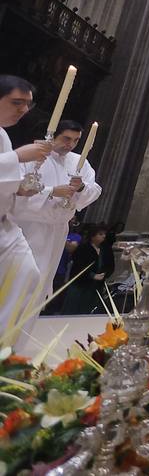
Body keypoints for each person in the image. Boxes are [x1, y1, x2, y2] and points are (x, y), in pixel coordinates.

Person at [13, 119, 102, 337]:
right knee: (22, 279)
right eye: (66, 139)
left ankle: (22, 338)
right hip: (28, 225)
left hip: (56, 228)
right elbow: (17, 187)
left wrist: (80, 188)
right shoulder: (35, 155)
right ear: (53, 135)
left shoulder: (78, 161)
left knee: (41, 285)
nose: (70, 145)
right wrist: (53, 191)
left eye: (76, 140)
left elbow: (94, 189)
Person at [0, 75, 51, 345]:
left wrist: (19, 188)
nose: (23, 110)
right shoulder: (10, 145)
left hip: (4, 227)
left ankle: (6, 352)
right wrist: (18, 157)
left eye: (27, 105)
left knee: (27, 274)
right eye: (16, 102)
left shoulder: (2, 136)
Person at [63, 224, 113, 315]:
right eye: (100, 234)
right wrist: (92, 275)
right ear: (93, 236)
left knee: (89, 309)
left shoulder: (105, 250)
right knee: (74, 308)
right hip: (81, 284)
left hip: (96, 286)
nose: (103, 236)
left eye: (104, 234)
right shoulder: (83, 248)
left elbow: (110, 265)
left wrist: (105, 274)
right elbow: (78, 266)